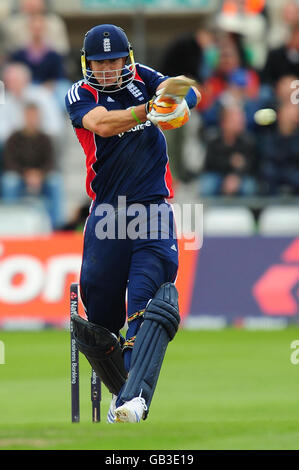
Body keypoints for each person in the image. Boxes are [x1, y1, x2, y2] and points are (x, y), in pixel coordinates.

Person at [65, 24, 200, 424]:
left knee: (146, 306)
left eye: (115, 61)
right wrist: (148, 111)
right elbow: (103, 124)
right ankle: (123, 390)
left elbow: (185, 86)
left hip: (153, 211)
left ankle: (135, 400)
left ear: (128, 59)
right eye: (100, 63)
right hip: (107, 215)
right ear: (89, 64)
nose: (108, 70)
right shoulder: (81, 93)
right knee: (101, 321)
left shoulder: (146, 79)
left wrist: (180, 103)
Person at [2, 102, 64, 229]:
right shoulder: (13, 138)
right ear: (24, 117)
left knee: (55, 181)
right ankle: (11, 225)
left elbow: (51, 162)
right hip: (20, 176)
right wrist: (26, 174)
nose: (32, 119)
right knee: (9, 181)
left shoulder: (45, 139)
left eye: (34, 116)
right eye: (29, 116)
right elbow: (9, 162)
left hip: (42, 177)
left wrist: (39, 174)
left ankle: (56, 226)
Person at [199, 104, 257, 197]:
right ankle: (210, 211)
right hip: (218, 175)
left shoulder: (247, 141)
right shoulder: (213, 140)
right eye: (236, 120)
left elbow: (252, 165)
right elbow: (209, 164)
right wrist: (230, 162)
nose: (241, 122)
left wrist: (237, 175)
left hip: (240, 177)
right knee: (207, 184)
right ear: (225, 122)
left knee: (249, 186)